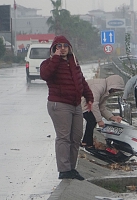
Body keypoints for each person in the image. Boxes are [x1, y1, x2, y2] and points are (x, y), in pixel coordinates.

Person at [40, 35, 94, 180]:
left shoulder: (74, 63)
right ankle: (64, 170)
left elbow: (81, 80)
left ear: (69, 48)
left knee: (76, 137)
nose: (62, 49)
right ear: (54, 48)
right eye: (59, 46)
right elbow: (45, 75)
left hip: (75, 104)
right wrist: (56, 58)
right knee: (64, 137)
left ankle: (71, 168)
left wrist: (89, 97)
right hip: (59, 104)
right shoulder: (49, 63)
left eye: (65, 46)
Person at [81, 75, 125, 149]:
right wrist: (99, 120)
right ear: (112, 85)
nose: (115, 91)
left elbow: (101, 107)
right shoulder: (99, 87)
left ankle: (87, 142)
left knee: (92, 120)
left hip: (87, 104)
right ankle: (87, 143)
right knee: (92, 120)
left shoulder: (106, 91)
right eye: (115, 89)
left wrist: (112, 117)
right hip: (80, 103)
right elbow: (94, 104)